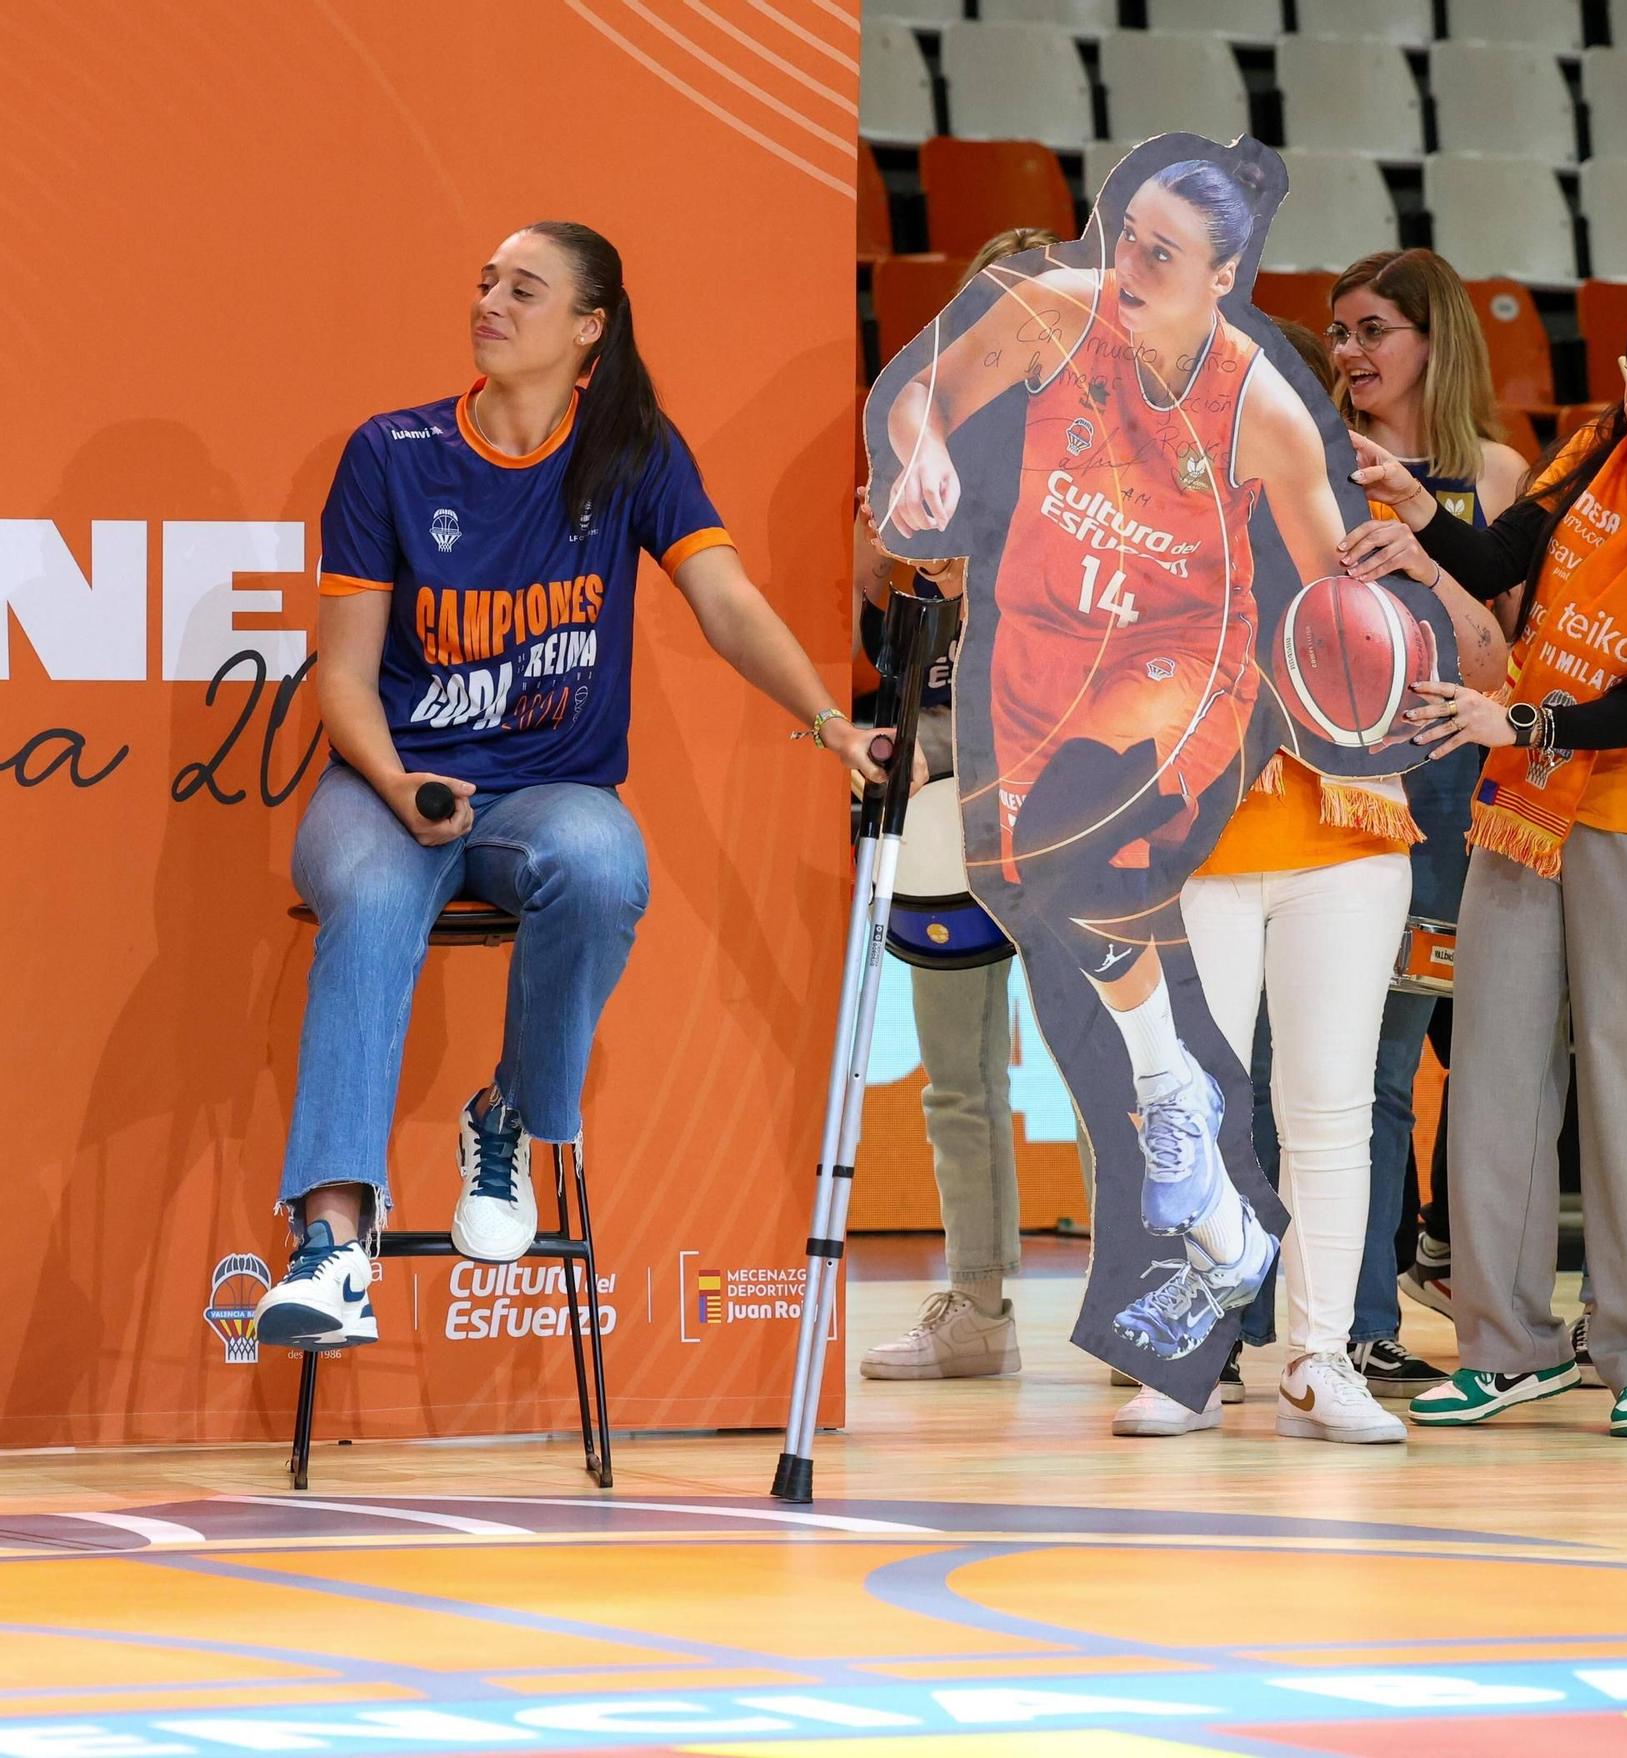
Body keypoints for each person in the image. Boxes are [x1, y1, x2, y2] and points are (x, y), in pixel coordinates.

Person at [880, 147, 1503, 1438]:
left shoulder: (1300, 463)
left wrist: (1424, 572)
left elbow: (1477, 661)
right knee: (1171, 1099)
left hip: (1342, 828)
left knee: (1328, 1102)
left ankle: (1322, 1354)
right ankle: (1183, 1352)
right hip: (1187, 832)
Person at [254, 222, 884, 1349]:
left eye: (523, 289)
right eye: (486, 283)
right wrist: (399, 786)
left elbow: (726, 604)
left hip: (544, 791)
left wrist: (831, 722)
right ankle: (330, 1243)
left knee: (602, 861)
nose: (489, 301)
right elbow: (342, 676)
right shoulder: (390, 453)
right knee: (371, 897)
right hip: (390, 780)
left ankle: (504, 1117)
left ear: (588, 327)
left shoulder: (631, 450)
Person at [1342, 292, 1627, 1440]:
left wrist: (1528, 727)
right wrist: (1414, 509)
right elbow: (1499, 551)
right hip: (1526, 804)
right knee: (1492, 1080)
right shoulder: (1592, 450)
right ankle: (1504, 1349)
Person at [854, 228, 1060, 1383]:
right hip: (944, 762)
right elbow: (890, 632)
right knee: (956, 1076)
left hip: (1072, 777)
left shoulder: (1110, 448)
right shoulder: (924, 438)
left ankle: (1152, 1314)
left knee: (1106, 1065)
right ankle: (977, 1306)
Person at [1327, 249, 1530, 1399]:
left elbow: (1504, 660)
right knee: (1332, 1063)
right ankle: (1319, 1315)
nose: (1350, 354)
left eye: (1371, 331)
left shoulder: (1493, 473)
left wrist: (1424, 553)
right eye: (1338, 333)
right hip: (1336, 781)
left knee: (1436, 1060)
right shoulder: (1306, 465)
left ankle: (1413, 1316)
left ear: (1430, 340)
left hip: (1455, 791)